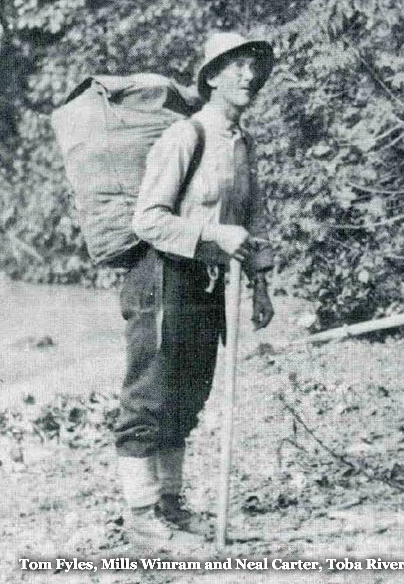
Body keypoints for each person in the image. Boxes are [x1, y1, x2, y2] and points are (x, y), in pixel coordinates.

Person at [116, 32, 277, 549]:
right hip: (162, 278)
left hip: (209, 285)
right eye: (234, 67)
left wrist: (261, 284)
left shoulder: (243, 143)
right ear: (210, 77)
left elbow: (253, 220)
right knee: (151, 397)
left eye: (253, 67)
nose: (248, 75)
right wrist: (211, 235)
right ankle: (141, 515)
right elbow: (148, 220)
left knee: (188, 397)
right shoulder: (187, 136)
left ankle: (170, 504)